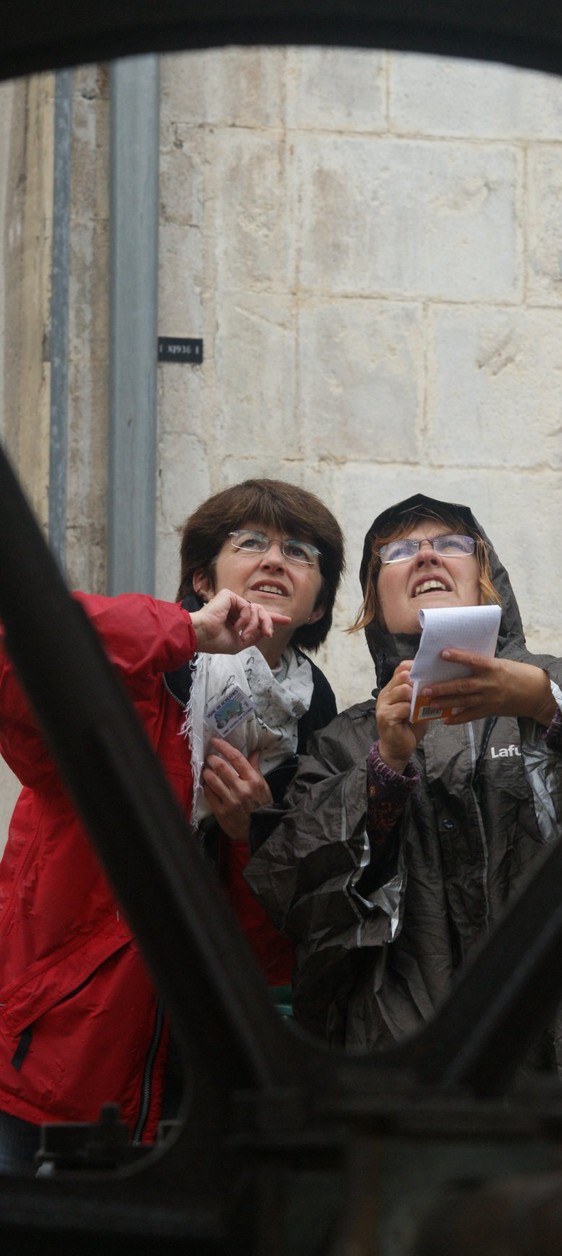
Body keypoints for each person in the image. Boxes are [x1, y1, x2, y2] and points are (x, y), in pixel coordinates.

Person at [245, 492, 562, 1232]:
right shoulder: (346, 742)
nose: (426, 557)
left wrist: (546, 702)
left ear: (488, 579)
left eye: (450, 544)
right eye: (399, 551)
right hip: (418, 1072)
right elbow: (291, 893)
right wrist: (385, 767)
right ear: (371, 606)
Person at [0, 478, 344, 1174]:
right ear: (200, 577)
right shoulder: (133, 681)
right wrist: (184, 631)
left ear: (318, 603)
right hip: (50, 1064)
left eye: (300, 552)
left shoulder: (322, 738)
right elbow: (17, 643)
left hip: (199, 1089)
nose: (276, 559)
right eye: (250, 543)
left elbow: (275, 956)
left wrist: (250, 837)